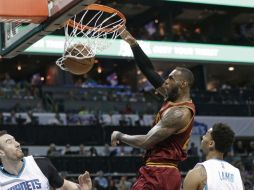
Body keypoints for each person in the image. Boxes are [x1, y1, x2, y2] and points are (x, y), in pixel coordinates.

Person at [111, 28, 196, 190]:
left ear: (183, 84)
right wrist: (133, 44)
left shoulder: (179, 113)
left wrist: (119, 135)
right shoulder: (172, 97)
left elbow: (146, 141)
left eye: (170, 79)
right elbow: (149, 71)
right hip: (166, 171)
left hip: (159, 171)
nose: (165, 82)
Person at [0, 130, 92, 190]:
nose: (17, 144)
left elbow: (63, 185)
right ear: (1, 152)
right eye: (9, 142)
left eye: (15, 140)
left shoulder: (40, 164)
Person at [183, 123, 244, 190]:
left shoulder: (196, 174)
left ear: (211, 144)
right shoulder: (237, 174)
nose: (203, 137)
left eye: (206, 135)